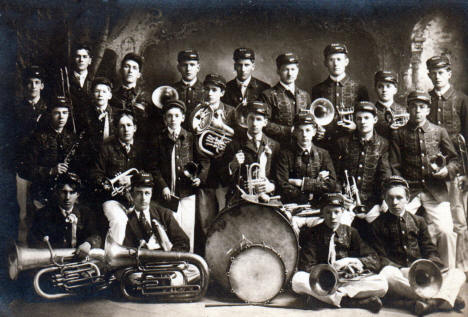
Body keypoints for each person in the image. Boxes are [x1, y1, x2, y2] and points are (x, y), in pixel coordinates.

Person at [371, 176, 465, 315]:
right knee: (387, 275)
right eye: (390, 198)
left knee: (457, 273)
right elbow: (380, 257)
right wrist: (403, 269)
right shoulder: (377, 224)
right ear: (385, 199)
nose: (395, 202)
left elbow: (429, 248)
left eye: (399, 197)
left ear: (407, 199)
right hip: (401, 274)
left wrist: (431, 265)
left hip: (422, 272)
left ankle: (431, 302)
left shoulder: (418, 221)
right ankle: (443, 297)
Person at [389, 90, 458, 269]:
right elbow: (394, 166)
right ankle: (410, 271)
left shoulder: (439, 131)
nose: (417, 111)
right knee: (396, 226)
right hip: (409, 193)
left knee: (446, 231)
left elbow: (455, 160)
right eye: (413, 107)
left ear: (428, 110)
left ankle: (447, 273)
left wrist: (446, 171)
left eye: (421, 107)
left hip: (435, 192)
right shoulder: (399, 134)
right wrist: (400, 190)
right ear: (408, 109)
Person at [291, 193, 387, 313]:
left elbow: (374, 259)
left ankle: (324, 299)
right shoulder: (313, 233)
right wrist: (328, 270)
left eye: (336, 212)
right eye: (328, 212)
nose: (333, 217)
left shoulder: (352, 233)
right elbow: (305, 266)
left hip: (346, 284)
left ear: (342, 212)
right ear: (322, 213)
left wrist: (353, 262)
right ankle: (351, 302)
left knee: (382, 284)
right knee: (297, 279)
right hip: (322, 282)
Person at [147, 99, 208, 253]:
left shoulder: (191, 137)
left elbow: (204, 160)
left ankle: (188, 263)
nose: (173, 119)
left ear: (182, 118)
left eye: (176, 115)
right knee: (170, 231)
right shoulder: (157, 140)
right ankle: (171, 263)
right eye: (169, 116)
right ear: (164, 119)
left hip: (187, 193)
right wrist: (163, 187)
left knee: (187, 230)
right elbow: (152, 167)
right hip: (167, 194)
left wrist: (199, 177)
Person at [426, 55, 468, 275]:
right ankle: (442, 266)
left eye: (441, 73)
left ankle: (462, 267)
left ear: (449, 73)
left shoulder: (461, 99)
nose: (437, 77)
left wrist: (463, 171)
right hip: (433, 171)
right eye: (433, 73)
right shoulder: (425, 100)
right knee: (440, 222)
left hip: (456, 169)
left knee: (459, 218)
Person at [90, 110, 146, 244]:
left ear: (135, 128)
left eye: (129, 125)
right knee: (119, 221)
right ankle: (113, 257)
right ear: (116, 128)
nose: (126, 129)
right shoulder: (106, 148)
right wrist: (111, 185)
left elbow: (149, 173)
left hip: (137, 199)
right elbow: (95, 174)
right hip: (112, 200)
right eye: (121, 126)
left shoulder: (142, 149)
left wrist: (132, 180)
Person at [335, 101, 391, 235]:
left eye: (367, 118)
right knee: (339, 232)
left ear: (375, 120)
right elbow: (335, 175)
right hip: (347, 203)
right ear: (354, 120)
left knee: (381, 233)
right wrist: (340, 195)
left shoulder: (383, 144)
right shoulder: (342, 143)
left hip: (372, 202)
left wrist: (383, 198)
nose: (363, 122)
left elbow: (385, 174)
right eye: (359, 118)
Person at [311, 43, 369, 158]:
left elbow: (368, 117)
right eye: (331, 59)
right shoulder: (318, 89)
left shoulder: (359, 88)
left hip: (351, 145)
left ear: (346, 62)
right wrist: (317, 129)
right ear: (325, 63)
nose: (335, 63)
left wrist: (356, 127)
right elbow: (313, 117)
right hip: (325, 145)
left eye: (339, 59)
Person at [25, 98, 79, 211]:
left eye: (65, 113)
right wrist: (50, 171)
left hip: (65, 196)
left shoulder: (73, 138)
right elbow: (25, 169)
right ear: (50, 114)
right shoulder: (38, 138)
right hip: (42, 193)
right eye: (57, 113)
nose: (61, 117)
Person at [222, 100, 280, 206]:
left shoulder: (274, 145)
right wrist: (233, 165)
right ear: (245, 120)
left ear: (265, 122)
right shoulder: (234, 145)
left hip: (266, 200)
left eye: (258, 119)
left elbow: (279, 177)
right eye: (251, 118)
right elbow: (222, 179)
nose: (254, 123)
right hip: (239, 201)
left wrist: (271, 186)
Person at [29, 173, 101, 254]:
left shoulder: (86, 213)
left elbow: (96, 236)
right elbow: (33, 240)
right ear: (57, 192)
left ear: (78, 194)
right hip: (53, 260)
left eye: (72, 192)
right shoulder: (43, 214)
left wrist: (88, 244)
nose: (67, 197)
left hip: (78, 260)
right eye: (64, 192)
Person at [16, 66, 49, 242]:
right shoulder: (15, 109)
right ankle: (22, 250)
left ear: (42, 86)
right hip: (22, 166)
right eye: (29, 83)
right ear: (24, 86)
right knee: (22, 210)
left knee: (41, 208)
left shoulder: (48, 109)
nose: (33, 87)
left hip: (42, 166)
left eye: (37, 83)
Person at [276, 113, 336, 207]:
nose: (304, 135)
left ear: (314, 132)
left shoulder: (323, 154)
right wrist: (315, 186)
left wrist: (302, 183)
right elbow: (282, 184)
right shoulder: (285, 154)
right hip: (293, 205)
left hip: (319, 206)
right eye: (300, 131)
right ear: (295, 132)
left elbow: (331, 184)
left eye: (308, 130)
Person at [123, 172, 189, 252]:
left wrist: (170, 256)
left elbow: (183, 242)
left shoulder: (164, 214)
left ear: (151, 194)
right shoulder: (126, 219)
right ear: (132, 194)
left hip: (167, 260)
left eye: (147, 193)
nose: (143, 198)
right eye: (139, 193)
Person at [261, 52, 311, 145]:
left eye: (293, 69)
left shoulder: (305, 95)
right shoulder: (268, 95)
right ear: (278, 71)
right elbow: (264, 124)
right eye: (285, 70)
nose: (290, 73)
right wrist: (290, 130)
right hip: (279, 146)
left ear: (298, 71)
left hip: (302, 146)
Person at [111, 53, 150, 139]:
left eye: (134, 68)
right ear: (121, 71)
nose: (130, 71)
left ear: (139, 74)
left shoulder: (147, 97)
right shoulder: (112, 96)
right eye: (127, 66)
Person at [80, 77, 115, 169]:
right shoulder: (84, 115)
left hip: (112, 158)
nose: (100, 95)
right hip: (91, 158)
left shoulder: (116, 115)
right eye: (97, 91)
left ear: (110, 95)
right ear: (92, 94)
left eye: (104, 92)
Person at [172, 49, 204, 128]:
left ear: (198, 67)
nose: (188, 69)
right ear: (178, 68)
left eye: (192, 65)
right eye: (184, 65)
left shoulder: (206, 90)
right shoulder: (171, 90)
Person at [373, 70, 408, 139]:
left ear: (395, 90)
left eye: (388, 86)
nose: (384, 90)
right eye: (380, 86)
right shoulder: (371, 112)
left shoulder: (404, 111)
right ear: (375, 89)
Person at [68, 44, 93, 128]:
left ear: (89, 60)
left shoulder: (94, 81)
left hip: (90, 125)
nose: (81, 60)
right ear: (73, 59)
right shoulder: (65, 80)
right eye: (78, 56)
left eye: (84, 57)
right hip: (70, 124)